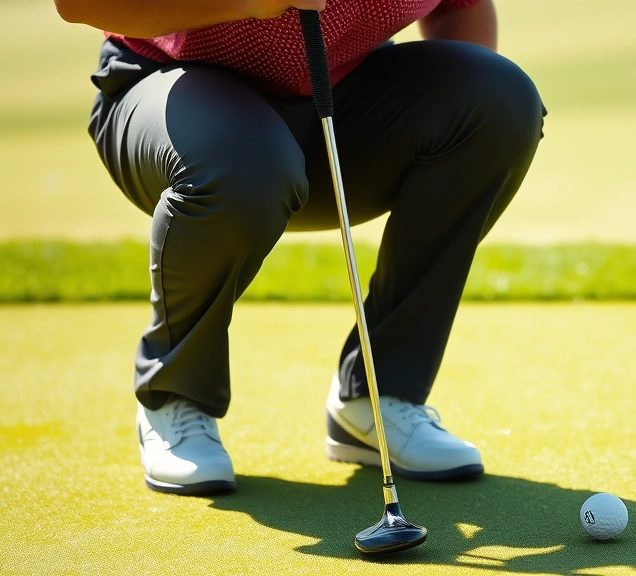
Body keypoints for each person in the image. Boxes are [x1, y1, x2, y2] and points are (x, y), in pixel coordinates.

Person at [54, 0, 545, 495]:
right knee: (243, 162)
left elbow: (458, 9)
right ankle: (173, 395)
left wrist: (461, 136)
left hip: (341, 106)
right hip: (173, 95)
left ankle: (377, 395)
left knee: (500, 101)